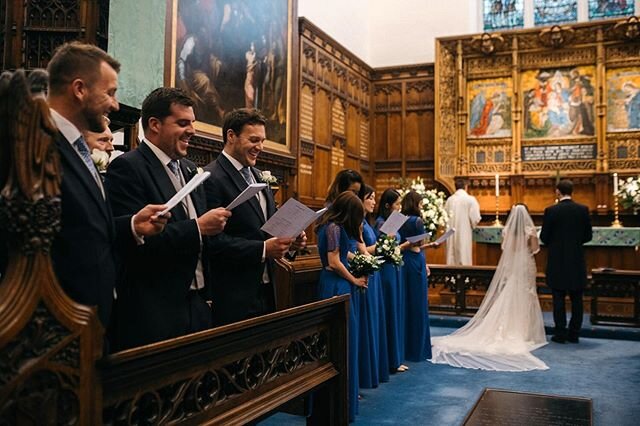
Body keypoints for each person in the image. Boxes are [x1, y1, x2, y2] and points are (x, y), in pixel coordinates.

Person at [45, 42, 168, 332]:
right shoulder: (38, 142)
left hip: (92, 317)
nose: (114, 104)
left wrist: (133, 226)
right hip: (57, 321)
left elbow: (84, 225)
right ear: (79, 89)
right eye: (110, 93)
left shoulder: (77, 147)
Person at [105, 87, 232, 349]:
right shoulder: (128, 167)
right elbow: (131, 241)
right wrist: (197, 228)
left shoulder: (188, 169)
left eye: (192, 123)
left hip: (198, 305)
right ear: (154, 124)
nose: (192, 131)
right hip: (155, 311)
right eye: (183, 123)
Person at [203, 108, 305, 325]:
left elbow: (266, 226)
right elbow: (212, 242)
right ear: (231, 136)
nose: (260, 147)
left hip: (268, 289)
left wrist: (291, 239)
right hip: (233, 295)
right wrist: (263, 249)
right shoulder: (212, 177)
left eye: (262, 140)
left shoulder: (259, 176)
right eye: (254, 140)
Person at [431, 204, 549, 371]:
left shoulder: (507, 231)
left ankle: (511, 328)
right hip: (524, 265)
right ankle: (523, 331)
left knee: (509, 296)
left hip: (511, 266)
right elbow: (535, 249)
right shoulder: (529, 230)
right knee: (525, 296)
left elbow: (504, 248)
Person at [315, 191, 368, 422]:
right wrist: (354, 280)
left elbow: (344, 254)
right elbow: (334, 262)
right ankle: (339, 402)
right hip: (336, 285)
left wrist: (364, 261)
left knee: (348, 340)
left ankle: (346, 398)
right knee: (342, 340)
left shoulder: (333, 226)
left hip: (337, 283)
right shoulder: (334, 227)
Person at [540, 179, 592, 344]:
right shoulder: (583, 210)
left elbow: (544, 237)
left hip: (557, 260)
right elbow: (588, 236)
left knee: (558, 297)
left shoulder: (551, 211)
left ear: (557, 192)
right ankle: (574, 333)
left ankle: (560, 334)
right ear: (572, 191)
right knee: (577, 298)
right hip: (576, 259)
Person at [373, 189, 408, 374]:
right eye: (397, 204)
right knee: (390, 312)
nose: (399, 207)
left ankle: (396, 357)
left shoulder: (391, 222)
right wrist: (393, 242)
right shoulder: (380, 223)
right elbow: (380, 249)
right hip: (386, 270)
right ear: (387, 205)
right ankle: (391, 360)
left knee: (396, 310)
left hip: (394, 269)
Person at [399, 191, 435, 362]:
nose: (421, 206)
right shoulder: (417, 221)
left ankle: (407, 347)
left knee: (408, 303)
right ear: (415, 203)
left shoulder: (399, 219)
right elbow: (419, 243)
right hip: (416, 259)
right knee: (419, 304)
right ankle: (419, 349)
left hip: (405, 260)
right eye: (420, 203)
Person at [358, 185, 387, 388]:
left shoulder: (366, 222)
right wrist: (381, 246)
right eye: (371, 198)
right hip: (364, 274)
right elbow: (355, 250)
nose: (373, 202)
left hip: (372, 273)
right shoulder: (359, 223)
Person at [444, 178, 481, 266]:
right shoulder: (470, 199)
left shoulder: (449, 200)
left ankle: (451, 278)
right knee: (463, 256)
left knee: (451, 257)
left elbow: (444, 217)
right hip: (464, 233)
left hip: (450, 234)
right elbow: (475, 218)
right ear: (466, 187)